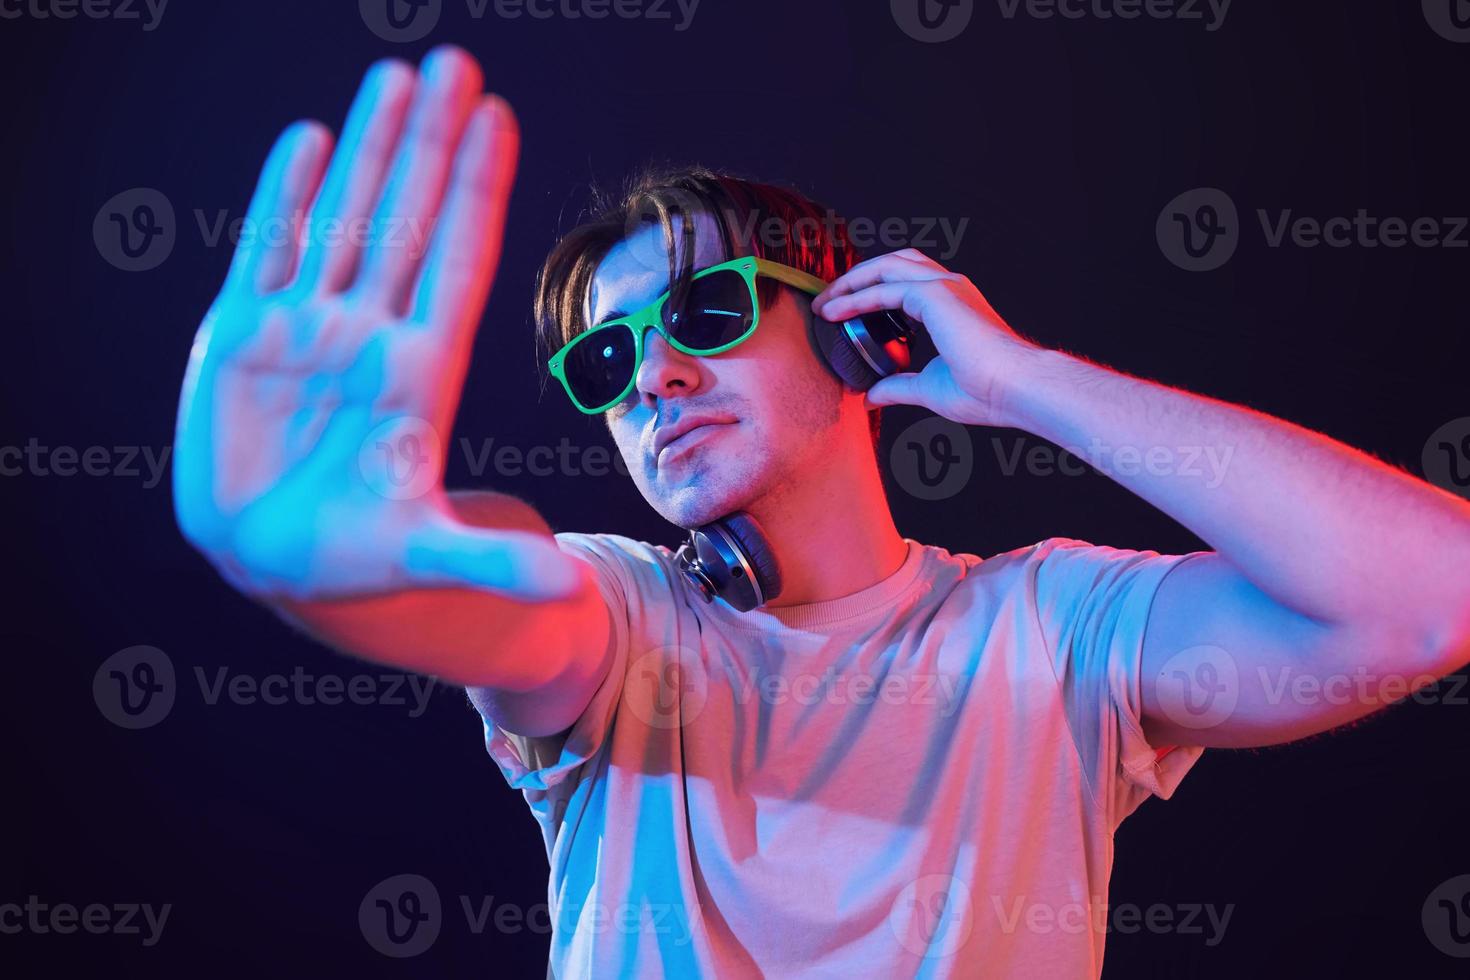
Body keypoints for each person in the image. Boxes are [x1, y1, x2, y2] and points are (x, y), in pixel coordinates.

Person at [172, 44, 1470, 978]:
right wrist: (322, 562)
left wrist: (1030, 383)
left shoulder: (1057, 621)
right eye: (606, 365)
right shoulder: (622, 621)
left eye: (703, 312)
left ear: (857, 332)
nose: (657, 376)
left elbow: (1431, 601)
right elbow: (490, 587)